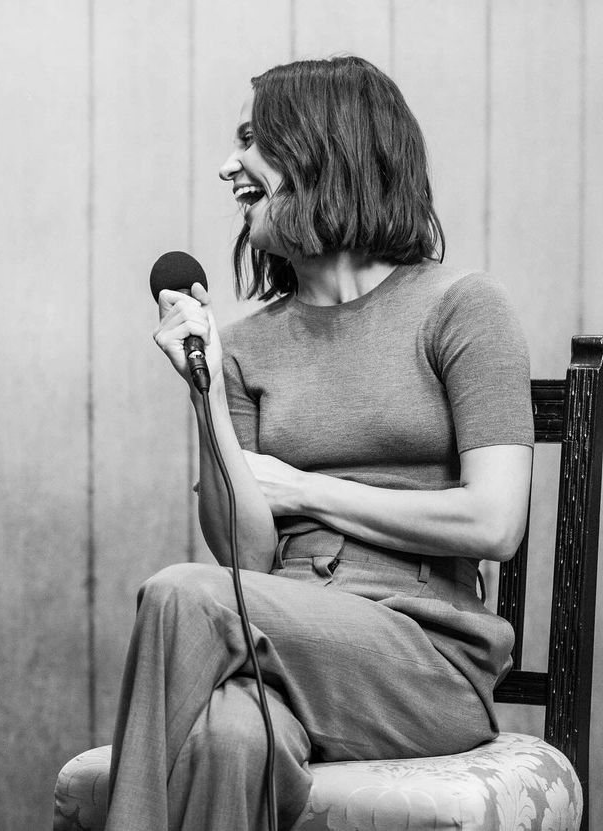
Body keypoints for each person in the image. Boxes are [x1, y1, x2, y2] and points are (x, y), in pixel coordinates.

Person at [106, 56, 533, 830]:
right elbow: (246, 561)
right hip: (281, 628)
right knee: (226, 741)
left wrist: (305, 488)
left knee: (179, 592)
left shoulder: (462, 307)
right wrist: (203, 398)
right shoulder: (240, 346)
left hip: (422, 656)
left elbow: (495, 523)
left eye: (253, 139)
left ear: (323, 148)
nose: (230, 164)